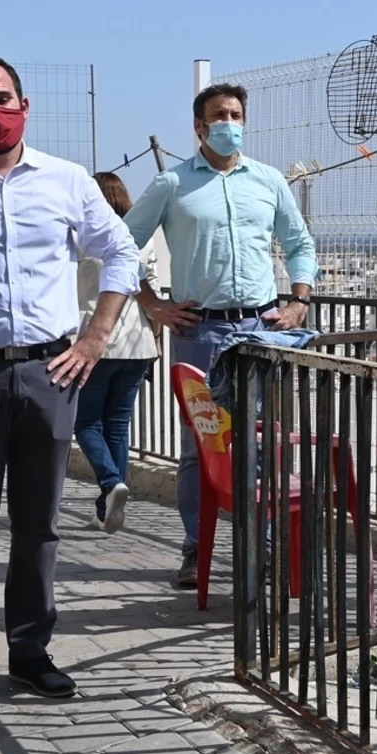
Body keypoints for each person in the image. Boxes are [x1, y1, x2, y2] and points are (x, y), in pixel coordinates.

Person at [0, 54, 141, 717]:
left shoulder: (68, 180)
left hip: (52, 370)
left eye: (4, 98)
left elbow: (121, 253)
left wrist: (95, 339)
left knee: (39, 521)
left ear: (25, 102)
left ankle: (31, 651)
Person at [122, 84, 319, 589]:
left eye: (235, 114)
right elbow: (120, 245)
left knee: (265, 445)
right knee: (200, 446)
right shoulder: (172, 184)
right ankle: (196, 548)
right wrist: (153, 304)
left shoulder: (269, 181)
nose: (229, 122)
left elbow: (298, 242)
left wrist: (298, 301)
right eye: (218, 115)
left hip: (260, 331)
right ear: (199, 126)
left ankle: (268, 551)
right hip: (201, 332)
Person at [73, 171, 160, 534]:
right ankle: (105, 508)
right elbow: (152, 297)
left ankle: (110, 483)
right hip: (138, 343)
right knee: (118, 424)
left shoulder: (82, 238)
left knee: (86, 422)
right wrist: (154, 340)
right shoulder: (142, 239)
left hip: (96, 341)